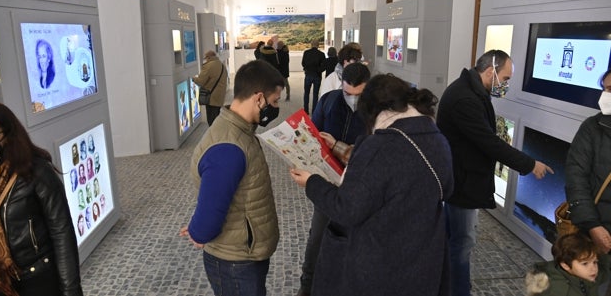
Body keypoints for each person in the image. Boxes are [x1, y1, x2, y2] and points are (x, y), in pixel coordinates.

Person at [290, 74, 454, 296]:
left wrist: (311, 182)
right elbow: (447, 187)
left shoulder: (380, 145)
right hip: (424, 256)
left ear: (373, 111)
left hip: (381, 263)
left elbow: (347, 209)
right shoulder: (437, 139)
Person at [436, 49, 555, 296]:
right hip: (462, 183)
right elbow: (489, 142)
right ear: (491, 72)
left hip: (462, 178)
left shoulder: (471, 91)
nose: (507, 84)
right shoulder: (465, 99)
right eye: (507, 78)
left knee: (454, 238)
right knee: (462, 241)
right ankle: (456, 290)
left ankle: (446, 282)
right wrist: (529, 164)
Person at [180, 60, 285, 296]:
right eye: (275, 101)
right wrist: (199, 232)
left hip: (243, 256)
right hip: (235, 263)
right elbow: (210, 212)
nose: (276, 107)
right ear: (258, 98)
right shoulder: (228, 148)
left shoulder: (239, 131)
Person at [0, 100, 83, 296]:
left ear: (8, 134)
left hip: (36, 279)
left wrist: (71, 290)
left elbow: (62, 232)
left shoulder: (36, 171)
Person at [295, 62, 370, 296]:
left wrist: (341, 148)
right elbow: (311, 133)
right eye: (348, 93)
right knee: (317, 239)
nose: (353, 99)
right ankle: (307, 287)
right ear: (342, 85)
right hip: (328, 184)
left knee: (355, 243)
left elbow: (374, 151)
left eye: (359, 95)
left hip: (360, 187)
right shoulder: (329, 100)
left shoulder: (377, 111)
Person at [565, 68, 611, 254]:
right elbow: (576, 177)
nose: (606, 95)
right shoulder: (593, 127)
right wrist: (592, 225)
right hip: (597, 232)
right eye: (606, 89)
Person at [525, 233, 611, 296]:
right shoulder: (557, 290)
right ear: (565, 265)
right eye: (585, 264)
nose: (593, 268)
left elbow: (605, 268)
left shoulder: (588, 275)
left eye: (595, 262)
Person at [193, 50, 228, 126]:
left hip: (211, 97)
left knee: (211, 120)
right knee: (217, 117)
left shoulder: (208, 66)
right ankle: (217, 134)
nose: (206, 59)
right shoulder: (222, 65)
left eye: (206, 58)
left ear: (208, 57)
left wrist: (194, 79)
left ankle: (214, 136)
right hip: (220, 96)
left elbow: (201, 81)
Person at [301, 38, 325, 114]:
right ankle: (314, 111)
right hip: (317, 76)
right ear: (318, 45)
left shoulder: (306, 52)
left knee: (306, 93)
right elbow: (323, 66)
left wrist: (306, 69)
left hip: (308, 75)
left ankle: (306, 110)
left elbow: (303, 63)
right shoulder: (321, 54)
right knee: (315, 94)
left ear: (311, 45)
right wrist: (318, 71)